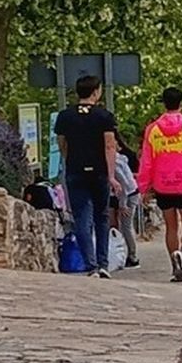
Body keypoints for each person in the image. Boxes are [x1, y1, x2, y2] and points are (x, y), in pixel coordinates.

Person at [138, 87, 182, 282]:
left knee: (171, 228)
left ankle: (175, 266)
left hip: (163, 186)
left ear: (163, 103)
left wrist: (144, 187)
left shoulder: (152, 130)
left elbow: (146, 161)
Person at [54, 75, 121, 278]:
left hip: (75, 171)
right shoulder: (104, 116)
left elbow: (62, 143)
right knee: (101, 216)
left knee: (81, 217)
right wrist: (111, 175)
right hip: (99, 172)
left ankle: (90, 265)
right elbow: (109, 145)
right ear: (96, 92)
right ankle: (103, 263)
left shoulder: (65, 116)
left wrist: (69, 161)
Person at [112, 138, 142, 269]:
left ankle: (133, 256)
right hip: (131, 192)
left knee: (126, 226)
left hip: (129, 195)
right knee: (126, 226)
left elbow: (123, 184)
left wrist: (122, 204)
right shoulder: (121, 158)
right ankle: (129, 254)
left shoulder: (115, 162)